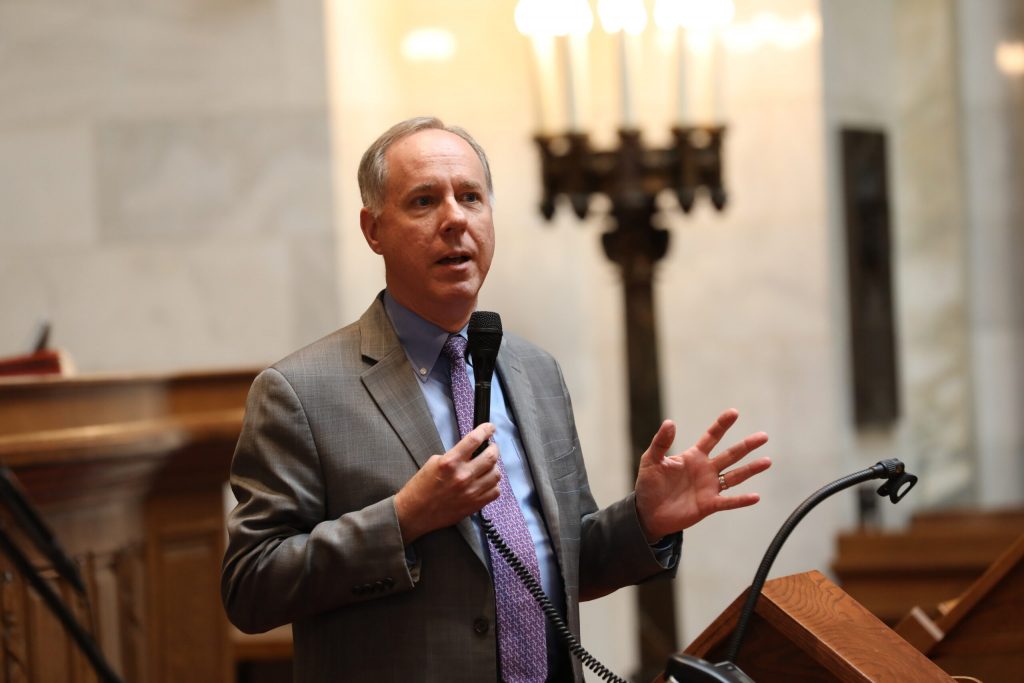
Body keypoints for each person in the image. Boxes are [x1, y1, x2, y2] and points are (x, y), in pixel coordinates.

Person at [220, 117, 771, 683]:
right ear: (373, 229)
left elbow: (559, 561)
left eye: (471, 197)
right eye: (424, 201)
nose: (455, 219)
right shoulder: (300, 392)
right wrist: (404, 518)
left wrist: (645, 521)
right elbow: (250, 587)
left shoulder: (534, 372)